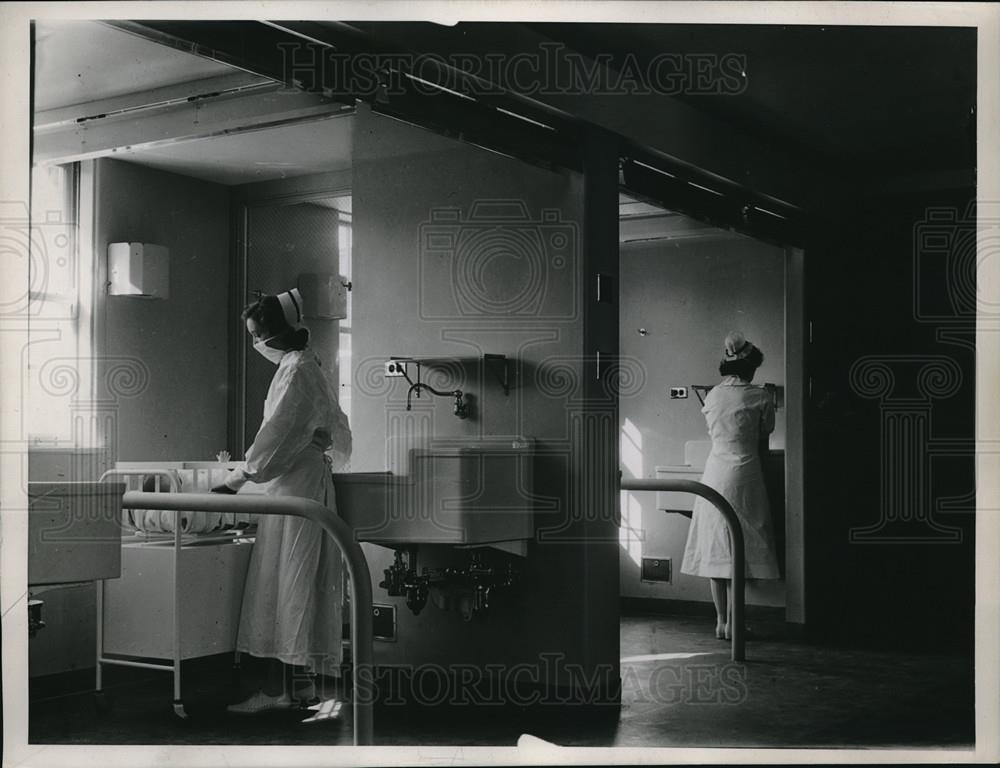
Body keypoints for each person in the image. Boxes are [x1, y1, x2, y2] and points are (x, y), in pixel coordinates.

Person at [212, 288, 352, 714]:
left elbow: (278, 436)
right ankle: (301, 688)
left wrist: (237, 479)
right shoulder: (306, 365)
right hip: (304, 483)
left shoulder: (297, 371)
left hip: (297, 487)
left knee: (283, 583)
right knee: (298, 581)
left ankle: (277, 691)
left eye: (259, 335)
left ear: (280, 333)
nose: (258, 344)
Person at [680, 331, 780, 640]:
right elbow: (767, 432)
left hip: (714, 472)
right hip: (745, 474)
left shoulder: (711, 396)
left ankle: (721, 621)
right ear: (750, 367)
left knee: (716, 547)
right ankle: (735, 623)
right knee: (741, 548)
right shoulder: (760, 396)